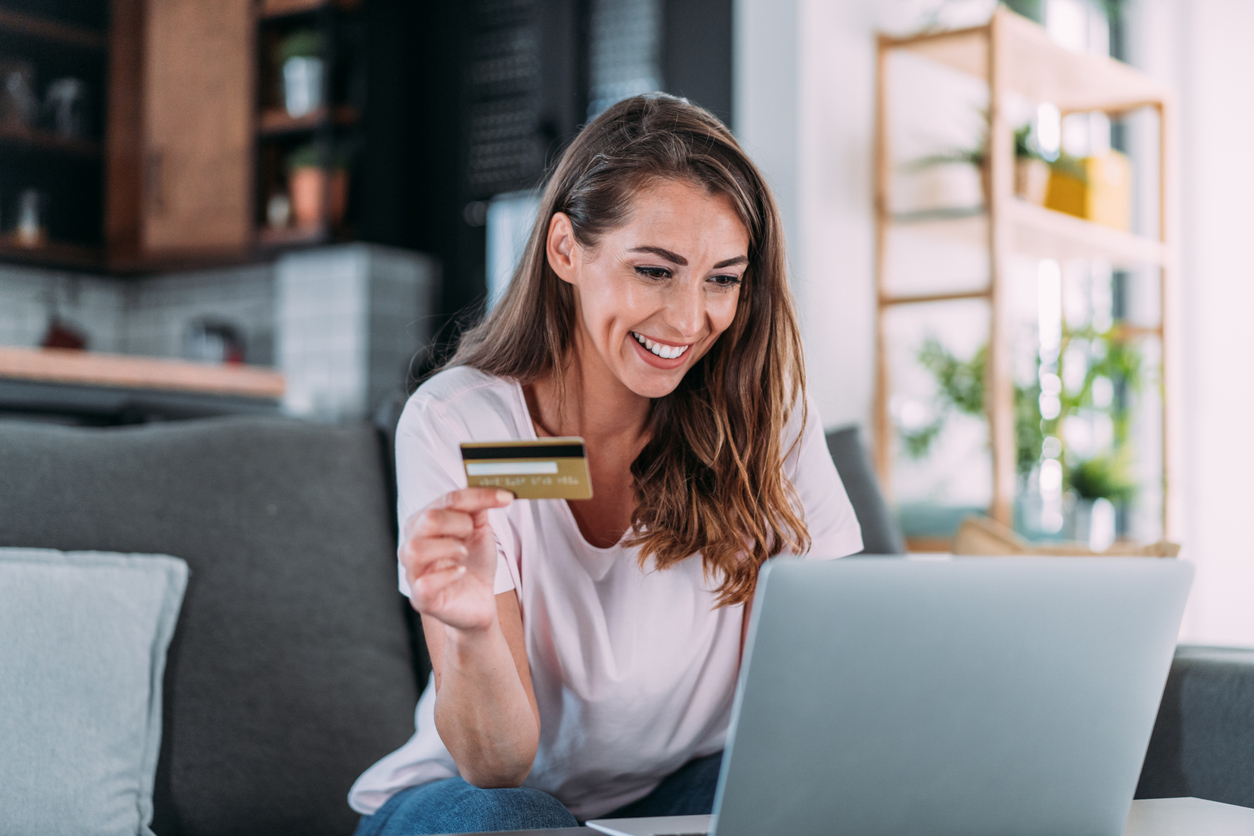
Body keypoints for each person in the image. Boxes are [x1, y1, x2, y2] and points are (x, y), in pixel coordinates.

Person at [348, 94, 862, 835]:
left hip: (679, 790)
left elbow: (808, 689)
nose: (690, 321)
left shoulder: (765, 417)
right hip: (480, 804)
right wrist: (469, 630)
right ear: (566, 250)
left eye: (723, 279)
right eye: (656, 271)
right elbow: (499, 768)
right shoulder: (456, 420)